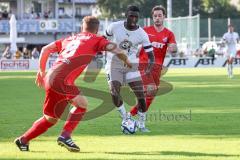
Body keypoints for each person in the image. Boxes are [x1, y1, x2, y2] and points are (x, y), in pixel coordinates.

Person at [14, 16, 131, 152]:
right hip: (62, 80)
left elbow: (46, 49)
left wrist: (41, 71)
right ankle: (65, 136)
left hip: (51, 76)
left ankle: (23, 140)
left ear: (82, 27)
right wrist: (128, 62)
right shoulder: (97, 39)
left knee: (50, 119)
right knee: (82, 104)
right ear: (97, 29)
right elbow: (116, 49)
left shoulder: (70, 39)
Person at [105, 5, 155, 132]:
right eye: (131, 15)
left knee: (141, 97)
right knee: (114, 91)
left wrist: (149, 68)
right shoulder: (114, 26)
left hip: (131, 65)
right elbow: (103, 38)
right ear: (126, 15)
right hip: (114, 63)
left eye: (136, 17)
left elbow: (151, 55)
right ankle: (125, 118)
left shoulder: (142, 34)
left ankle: (142, 124)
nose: (133, 19)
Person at [129, 6, 177, 119]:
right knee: (151, 90)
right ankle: (132, 117)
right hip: (144, 65)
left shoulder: (169, 34)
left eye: (160, 16)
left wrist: (173, 48)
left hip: (157, 68)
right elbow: (133, 42)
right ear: (152, 18)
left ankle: (133, 118)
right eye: (155, 16)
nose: (157, 18)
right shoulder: (145, 31)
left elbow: (173, 48)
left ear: (164, 17)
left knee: (150, 96)